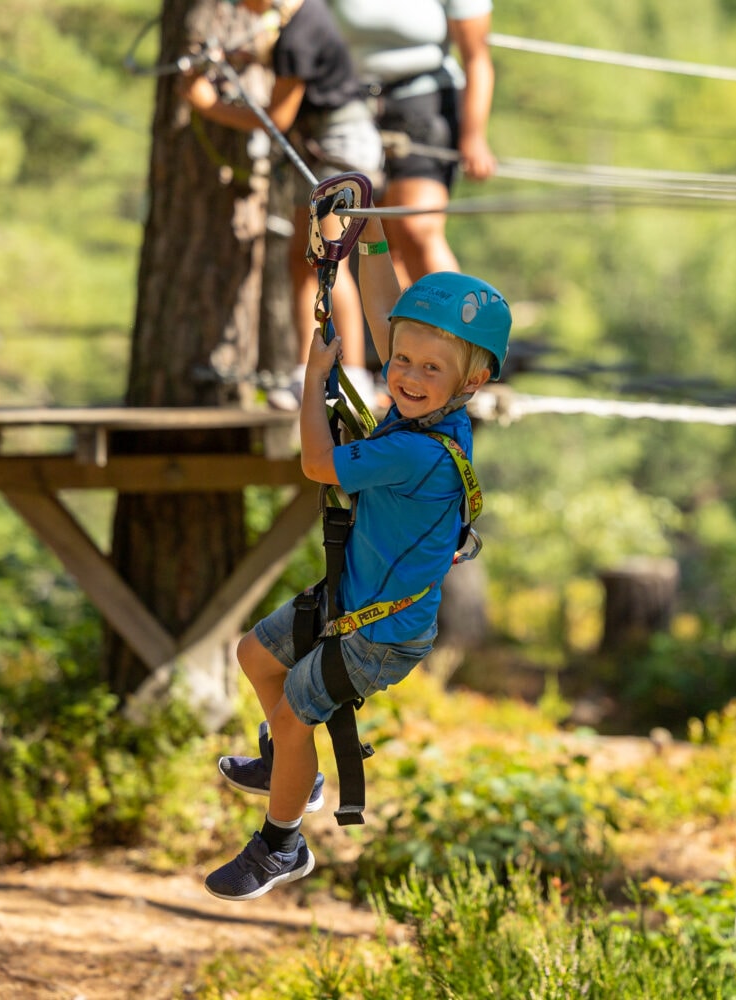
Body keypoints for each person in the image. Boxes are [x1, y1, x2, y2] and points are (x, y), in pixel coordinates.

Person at [203, 214, 511, 900]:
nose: (407, 375)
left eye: (431, 368)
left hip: (380, 632)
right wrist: (370, 237)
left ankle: (281, 845)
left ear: (472, 381)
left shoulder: (414, 449)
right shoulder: (426, 408)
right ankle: (296, 768)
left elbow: (318, 463)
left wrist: (317, 378)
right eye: (402, 360)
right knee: (255, 656)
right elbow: (383, 316)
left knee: (291, 716)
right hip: (355, 598)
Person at [181, 0, 384, 409]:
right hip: (321, 146)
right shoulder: (293, 19)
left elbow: (276, 118)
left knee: (328, 261)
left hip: (339, 146)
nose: (240, 6)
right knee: (303, 259)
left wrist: (206, 105)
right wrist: (233, 57)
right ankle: (305, 371)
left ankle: (355, 375)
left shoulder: (297, 31)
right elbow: (278, 57)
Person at [330, 0, 498, 285]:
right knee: (379, 243)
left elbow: (477, 58)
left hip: (424, 102)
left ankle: (458, 324)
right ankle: (402, 329)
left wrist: (474, 136)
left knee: (416, 229)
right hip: (352, 104)